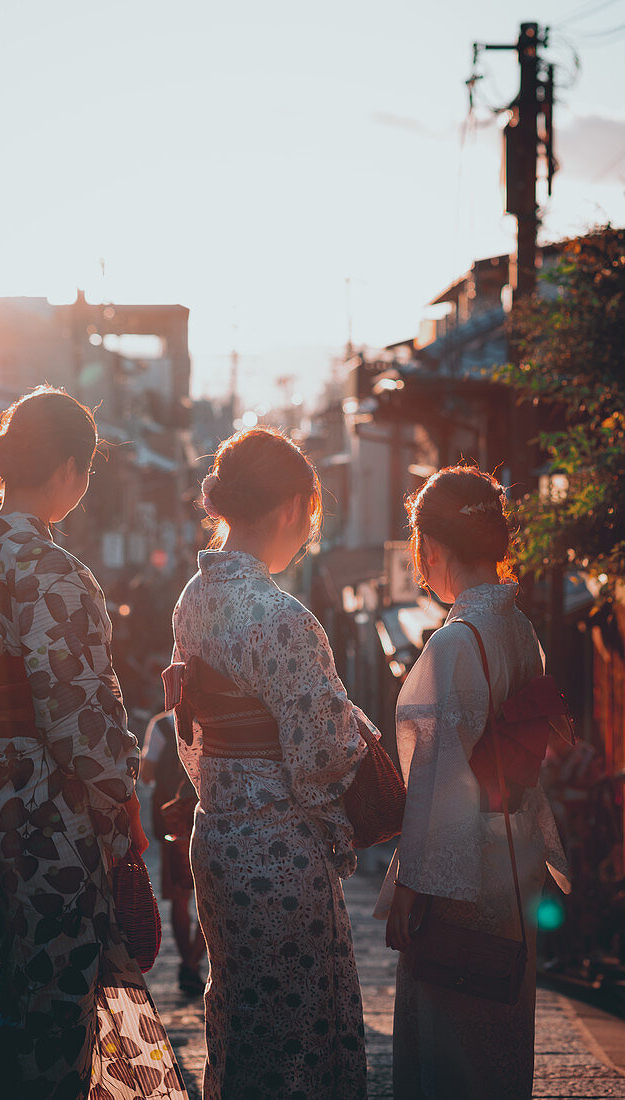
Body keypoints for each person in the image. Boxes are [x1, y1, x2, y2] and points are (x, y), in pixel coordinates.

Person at [0, 386, 188, 1100]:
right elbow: (80, 712)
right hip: (50, 803)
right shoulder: (53, 570)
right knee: (63, 996)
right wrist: (121, 800)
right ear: (69, 468)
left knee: (20, 984)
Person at [167, 427, 370, 1100]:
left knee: (241, 1017)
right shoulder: (279, 617)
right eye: (310, 516)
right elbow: (321, 752)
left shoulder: (193, 600)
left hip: (217, 836)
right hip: (278, 847)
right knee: (298, 1032)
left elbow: (190, 730)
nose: (309, 533)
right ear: (291, 507)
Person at [375, 465, 571, 1100]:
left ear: (430, 549)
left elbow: (438, 779)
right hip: (513, 855)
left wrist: (410, 883)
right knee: (500, 1027)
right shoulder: (521, 631)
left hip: (459, 868)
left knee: (447, 1036)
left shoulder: (458, 641)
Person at [140, 710, 206, 995]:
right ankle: (192, 963)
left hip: (172, 820)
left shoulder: (162, 726)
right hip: (211, 814)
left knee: (180, 895)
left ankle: (187, 963)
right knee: (211, 895)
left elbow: (146, 775)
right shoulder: (214, 717)